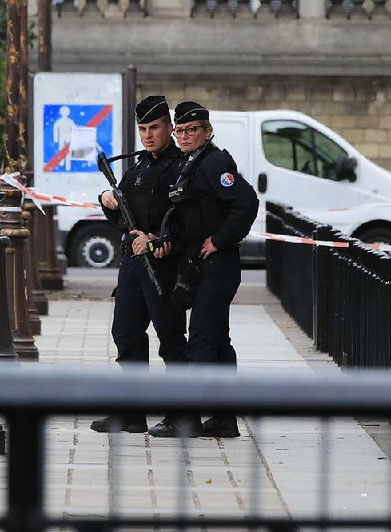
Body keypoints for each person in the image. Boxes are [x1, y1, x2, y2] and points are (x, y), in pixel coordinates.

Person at [144, 101, 258, 438]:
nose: (184, 136)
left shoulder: (214, 162)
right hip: (197, 264)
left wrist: (220, 240)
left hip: (217, 264)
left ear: (206, 132)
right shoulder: (188, 164)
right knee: (219, 344)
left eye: (191, 130)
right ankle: (224, 418)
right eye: (179, 131)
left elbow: (246, 202)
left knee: (201, 343)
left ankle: (185, 418)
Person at [89, 96, 188, 434]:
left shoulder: (180, 167)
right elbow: (122, 214)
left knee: (171, 338)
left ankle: (181, 414)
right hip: (133, 263)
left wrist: (160, 239)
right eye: (143, 129)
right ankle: (131, 412)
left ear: (169, 129)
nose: (148, 135)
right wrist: (107, 201)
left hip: (163, 262)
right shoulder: (138, 167)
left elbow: (185, 217)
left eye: (155, 128)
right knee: (126, 333)